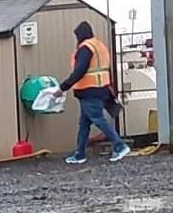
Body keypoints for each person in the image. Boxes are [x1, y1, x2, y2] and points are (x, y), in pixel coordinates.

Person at [56, 20, 132, 165]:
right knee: (84, 123)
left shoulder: (85, 48)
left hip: (89, 90)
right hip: (100, 88)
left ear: (80, 35)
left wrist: (63, 87)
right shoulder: (99, 46)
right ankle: (80, 154)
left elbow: (79, 71)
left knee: (97, 119)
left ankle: (119, 145)